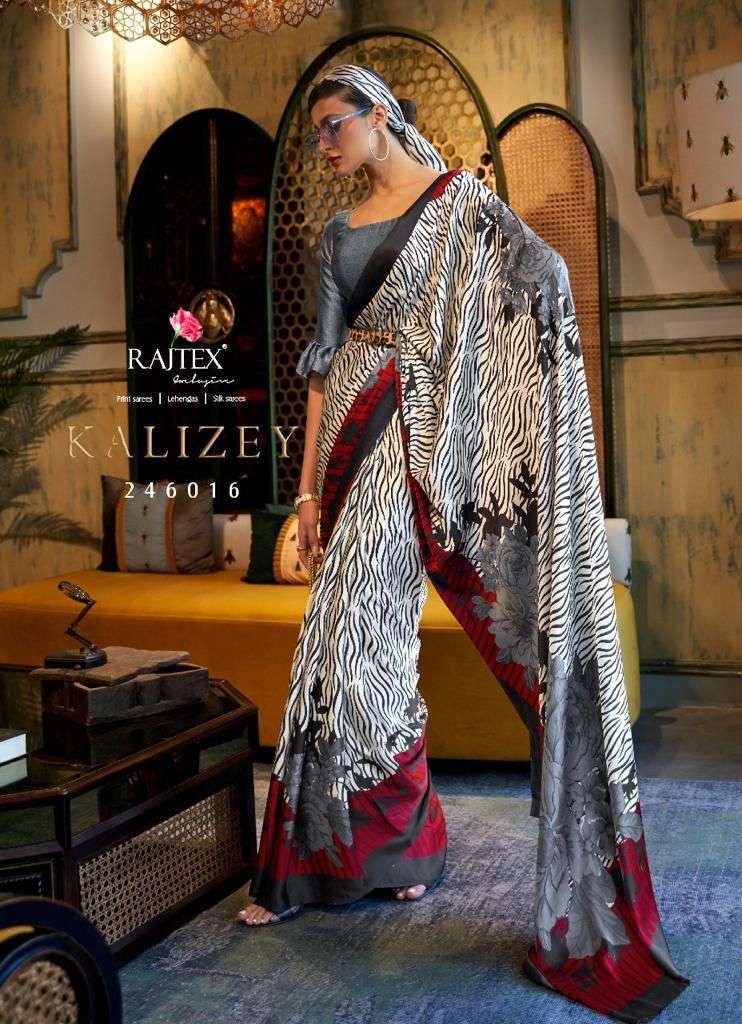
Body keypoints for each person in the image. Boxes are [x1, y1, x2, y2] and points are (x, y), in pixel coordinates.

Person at [237, 63, 689, 1023]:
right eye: (314, 133)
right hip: (353, 436)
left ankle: (403, 844)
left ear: (378, 116)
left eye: (332, 126)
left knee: (374, 637)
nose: (322, 146)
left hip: (431, 437)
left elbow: (540, 271)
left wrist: (547, 307)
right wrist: (306, 492)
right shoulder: (335, 235)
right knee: (338, 641)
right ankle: (353, 854)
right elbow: (319, 369)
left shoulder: (460, 206)